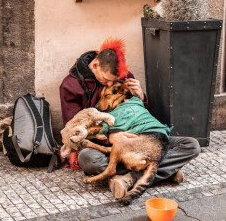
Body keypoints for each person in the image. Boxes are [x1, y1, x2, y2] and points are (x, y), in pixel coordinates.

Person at [59, 38, 200, 199]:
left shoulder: (124, 76)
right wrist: (109, 138)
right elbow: (73, 132)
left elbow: (142, 115)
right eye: (105, 80)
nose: (110, 83)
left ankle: (129, 178)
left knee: (191, 145)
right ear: (96, 65)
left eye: (114, 80)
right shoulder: (70, 86)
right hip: (107, 144)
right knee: (88, 159)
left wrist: (141, 97)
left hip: (142, 137)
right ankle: (164, 171)